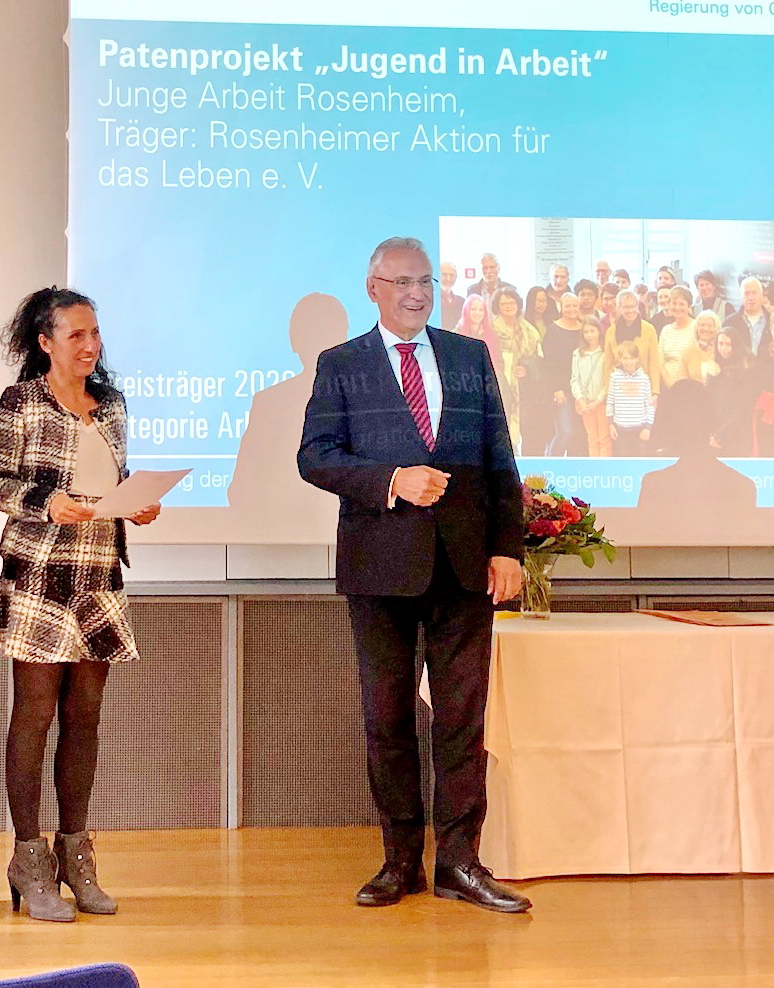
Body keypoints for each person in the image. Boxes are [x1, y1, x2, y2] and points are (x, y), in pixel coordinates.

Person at [298, 237, 529, 914]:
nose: (416, 294)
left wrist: (508, 549)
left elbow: (500, 459)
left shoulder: (468, 356)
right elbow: (315, 457)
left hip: (465, 565)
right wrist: (391, 480)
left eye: (424, 281)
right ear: (373, 288)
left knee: (462, 721)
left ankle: (460, 863)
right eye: (401, 282)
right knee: (389, 720)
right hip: (380, 566)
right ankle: (400, 862)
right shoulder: (342, 364)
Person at [0, 287, 162, 922]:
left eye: (95, 333)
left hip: (99, 576)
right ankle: (29, 860)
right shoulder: (22, 401)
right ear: (45, 342)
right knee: (34, 717)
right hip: (39, 577)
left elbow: (111, 481)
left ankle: (77, 854)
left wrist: (136, 503)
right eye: (76, 335)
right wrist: (45, 501)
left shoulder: (111, 404)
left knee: (84, 718)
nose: (90, 346)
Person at [490, 287, 542, 451]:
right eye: (504, 303)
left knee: (527, 430)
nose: (508, 306)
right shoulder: (490, 329)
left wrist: (526, 368)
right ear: (497, 306)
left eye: (512, 302)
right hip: (498, 385)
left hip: (524, 389)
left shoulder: (529, 330)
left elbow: (539, 359)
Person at [541, 292, 585, 455]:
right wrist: (556, 388)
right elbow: (548, 363)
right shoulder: (553, 329)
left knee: (578, 435)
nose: (571, 309)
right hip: (561, 390)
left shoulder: (584, 329)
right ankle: (552, 464)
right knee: (565, 430)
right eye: (568, 306)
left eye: (574, 306)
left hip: (581, 390)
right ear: (561, 307)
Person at [604, 290, 661, 403]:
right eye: (625, 307)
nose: (630, 310)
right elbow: (608, 365)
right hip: (619, 391)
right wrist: (609, 392)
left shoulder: (649, 329)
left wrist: (655, 392)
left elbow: (654, 363)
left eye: (633, 306)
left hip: (642, 390)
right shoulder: (611, 331)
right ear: (618, 308)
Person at [519, 286, 556, 454]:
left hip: (547, 381)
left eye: (544, 301)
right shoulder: (523, 324)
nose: (541, 304)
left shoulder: (552, 322)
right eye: (537, 301)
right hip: (529, 382)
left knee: (546, 428)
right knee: (530, 429)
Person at [711, 329, 759, 454]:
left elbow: (743, 409)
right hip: (716, 431)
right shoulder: (714, 368)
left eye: (728, 344)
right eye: (720, 344)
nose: (723, 348)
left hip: (736, 434)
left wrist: (721, 435)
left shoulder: (746, 370)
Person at [607, 341, 655, 456]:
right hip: (620, 431)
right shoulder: (614, 377)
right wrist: (611, 424)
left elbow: (649, 405)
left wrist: (648, 428)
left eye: (631, 358)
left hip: (640, 430)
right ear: (620, 359)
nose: (628, 362)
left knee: (640, 462)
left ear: (637, 359)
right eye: (625, 358)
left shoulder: (644, 378)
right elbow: (610, 402)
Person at [572, 316, 611, 456]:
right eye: (586, 332)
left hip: (602, 402)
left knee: (604, 438)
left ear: (599, 331)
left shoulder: (606, 352)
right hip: (586, 404)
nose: (589, 335)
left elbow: (609, 380)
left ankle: (605, 465)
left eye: (592, 331)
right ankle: (594, 464)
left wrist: (599, 400)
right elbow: (574, 379)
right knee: (591, 438)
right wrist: (580, 400)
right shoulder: (577, 354)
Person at [454, 293, 504, 378]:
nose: (477, 313)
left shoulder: (492, 335)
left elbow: (499, 363)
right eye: (473, 309)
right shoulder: (455, 335)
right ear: (466, 310)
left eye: (481, 310)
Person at [658, 285, 697, 390]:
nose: (677, 307)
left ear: (689, 306)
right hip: (668, 387)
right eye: (674, 303)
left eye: (682, 304)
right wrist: (670, 385)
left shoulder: (697, 327)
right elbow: (660, 362)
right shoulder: (666, 330)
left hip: (691, 387)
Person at [724, 277, 770, 356]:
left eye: (754, 293)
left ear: (762, 295)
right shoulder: (729, 323)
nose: (751, 298)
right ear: (741, 296)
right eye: (746, 293)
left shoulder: (771, 321)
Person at [683, 310, 722, 384]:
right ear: (697, 328)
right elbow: (682, 381)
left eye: (710, 326)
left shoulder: (722, 351)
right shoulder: (688, 352)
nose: (706, 329)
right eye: (702, 325)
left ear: (717, 329)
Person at [439, 261, 464, 329]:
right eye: (444, 275)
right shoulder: (432, 300)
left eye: (452, 275)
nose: (448, 279)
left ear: (456, 277)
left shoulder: (461, 302)